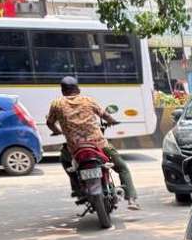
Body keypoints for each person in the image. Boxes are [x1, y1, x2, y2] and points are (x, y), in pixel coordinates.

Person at [46, 76, 140, 210]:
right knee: (122, 167)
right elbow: (104, 115)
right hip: (98, 144)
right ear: (77, 88)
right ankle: (131, 199)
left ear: (62, 90)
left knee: (65, 160)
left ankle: (77, 188)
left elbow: (50, 123)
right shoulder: (87, 100)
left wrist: (57, 131)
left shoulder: (57, 104)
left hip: (75, 148)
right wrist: (113, 121)